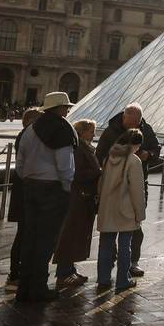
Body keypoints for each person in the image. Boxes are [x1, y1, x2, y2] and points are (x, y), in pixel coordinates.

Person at [14, 92, 77, 302]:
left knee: (29, 237)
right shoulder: (62, 129)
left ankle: (24, 287)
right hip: (53, 188)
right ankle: (39, 287)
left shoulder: (30, 129)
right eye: (66, 107)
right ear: (59, 108)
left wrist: (28, 179)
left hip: (30, 186)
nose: (68, 110)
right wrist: (67, 188)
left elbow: (20, 162)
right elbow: (65, 165)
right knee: (46, 240)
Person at [97, 104, 161, 278]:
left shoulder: (146, 129)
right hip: (117, 190)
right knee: (119, 235)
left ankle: (129, 264)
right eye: (130, 123)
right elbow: (99, 156)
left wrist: (149, 155)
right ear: (124, 117)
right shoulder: (111, 132)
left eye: (136, 123)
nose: (133, 126)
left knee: (125, 232)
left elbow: (156, 149)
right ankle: (118, 272)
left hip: (125, 187)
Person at [53, 119, 102, 289]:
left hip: (82, 197)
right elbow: (77, 173)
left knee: (76, 235)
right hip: (78, 197)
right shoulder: (79, 148)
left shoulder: (83, 147)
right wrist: (97, 172)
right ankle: (64, 273)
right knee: (71, 235)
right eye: (91, 131)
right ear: (82, 132)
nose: (93, 135)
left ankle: (70, 270)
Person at [96, 130, 146, 291]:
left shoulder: (109, 158)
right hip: (126, 209)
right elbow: (137, 190)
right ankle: (123, 280)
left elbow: (100, 183)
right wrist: (140, 213)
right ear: (135, 145)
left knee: (105, 245)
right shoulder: (133, 160)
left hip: (107, 208)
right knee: (125, 246)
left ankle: (103, 278)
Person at [5, 107, 43, 288]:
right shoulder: (28, 136)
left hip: (24, 191)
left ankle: (19, 271)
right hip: (26, 191)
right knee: (24, 234)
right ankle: (16, 272)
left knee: (25, 233)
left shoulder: (26, 135)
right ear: (30, 121)